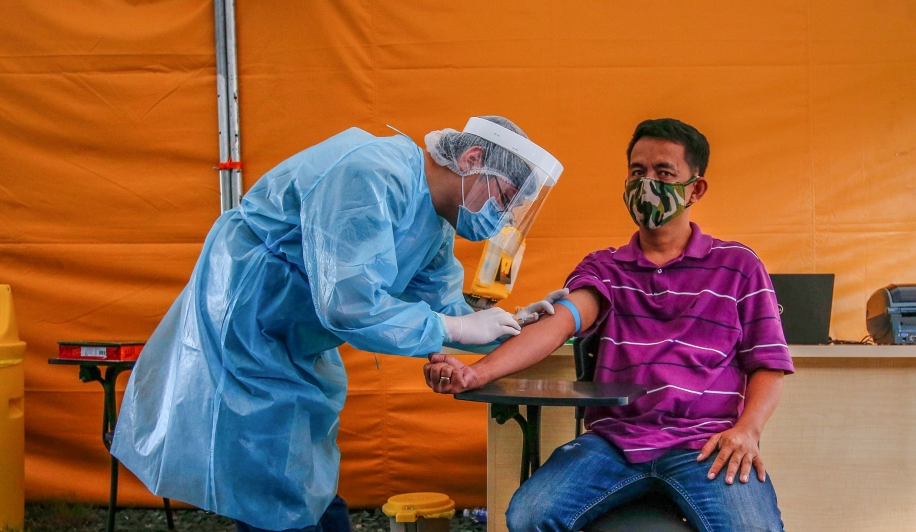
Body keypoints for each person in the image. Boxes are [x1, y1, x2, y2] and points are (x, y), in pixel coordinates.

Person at [111, 116, 565, 532]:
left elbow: (445, 310)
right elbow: (349, 305)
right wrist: (459, 330)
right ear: (472, 160)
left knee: (301, 465)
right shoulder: (373, 173)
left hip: (297, 332)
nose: (500, 220)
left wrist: (514, 326)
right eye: (504, 200)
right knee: (267, 470)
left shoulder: (435, 225)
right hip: (250, 318)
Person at [425, 118, 794, 532]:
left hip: (704, 444)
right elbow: (559, 324)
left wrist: (747, 431)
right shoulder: (606, 267)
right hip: (615, 441)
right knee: (530, 516)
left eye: (664, 173)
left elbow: (768, 364)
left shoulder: (739, 267)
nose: (646, 183)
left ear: (696, 189)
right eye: (637, 172)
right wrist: (476, 371)